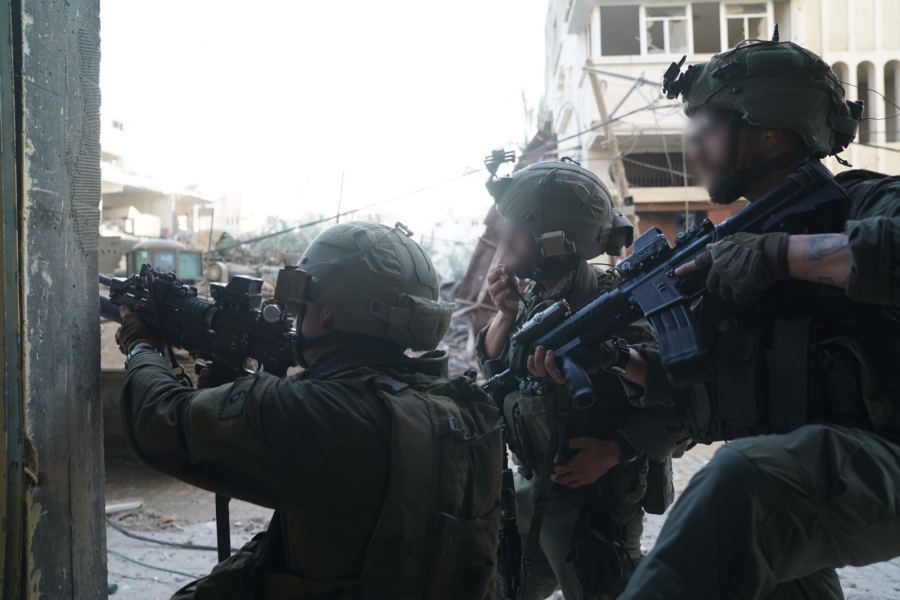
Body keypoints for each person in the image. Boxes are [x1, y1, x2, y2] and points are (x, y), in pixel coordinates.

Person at [529, 39, 900, 599]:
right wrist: (613, 357)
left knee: (739, 485)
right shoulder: (734, 250)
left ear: (768, 129)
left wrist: (777, 256)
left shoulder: (864, 203)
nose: (695, 147)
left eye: (706, 129)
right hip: (808, 478)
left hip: (878, 460)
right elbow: (698, 394)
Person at [115, 221, 503, 600]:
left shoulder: (322, 412)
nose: (296, 319)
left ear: (328, 314)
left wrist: (141, 347)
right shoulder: (468, 409)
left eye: (304, 305)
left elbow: (160, 420)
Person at [477, 160, 677, 599]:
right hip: (531, 492)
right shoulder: (532, 297)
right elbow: (495, 373)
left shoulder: (615, 304)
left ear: (554, 242)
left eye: (517, 228)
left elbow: (680, 397)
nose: (505, 239)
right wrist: (504, 316)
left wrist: (617, 450)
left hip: (595, 508)